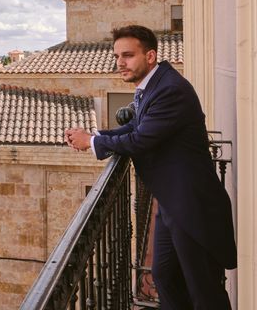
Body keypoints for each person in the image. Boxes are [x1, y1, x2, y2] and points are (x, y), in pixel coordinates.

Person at [65, 25, 236, 310]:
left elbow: (141, 139)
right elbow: (135, 126)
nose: (120, 62)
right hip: (171, 201)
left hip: (192, 204)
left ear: (151, 56)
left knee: (203, 290)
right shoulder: (152, 86)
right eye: (117, 56)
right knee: (164, 275)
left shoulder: (170, 90)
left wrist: (92, 144)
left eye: (128, 55)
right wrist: (95, 136)